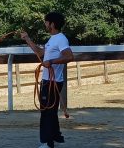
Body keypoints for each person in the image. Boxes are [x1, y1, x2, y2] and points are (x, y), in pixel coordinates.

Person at [20, 12, 74, 148]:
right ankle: (55, 137)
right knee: (50, 111)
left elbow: (69, 56)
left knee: (47, 112)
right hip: (48, 81)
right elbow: (39, 52)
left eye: (46, 22)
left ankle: (47, 143)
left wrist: (51, 61)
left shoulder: (61, 39)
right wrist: (27, 39)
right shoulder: (52, 39)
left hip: (52, 82)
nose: (45, 24)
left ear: (52, 24)